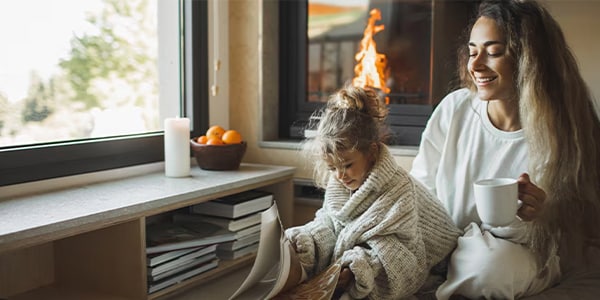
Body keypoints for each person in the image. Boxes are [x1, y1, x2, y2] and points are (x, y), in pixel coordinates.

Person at [409, 0, 600, 299]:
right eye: (472, 51)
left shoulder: (560, 131)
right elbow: (420, 189)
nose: (475, 65)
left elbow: (563, 232)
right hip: (443, 238)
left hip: (516, 248)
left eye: (493, 52)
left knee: (488, 272)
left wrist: (537, 214)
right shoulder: (454, 109)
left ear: (529, 57)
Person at [285, 85, 462, 299]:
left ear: (372, 152)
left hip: (439, 257)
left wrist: (361, 267)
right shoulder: (340, 182)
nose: (340, 175)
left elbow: (401, 251)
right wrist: (308, 240)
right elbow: (331, 223)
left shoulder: (398, 188)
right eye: (333, 168)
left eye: (348, 165)